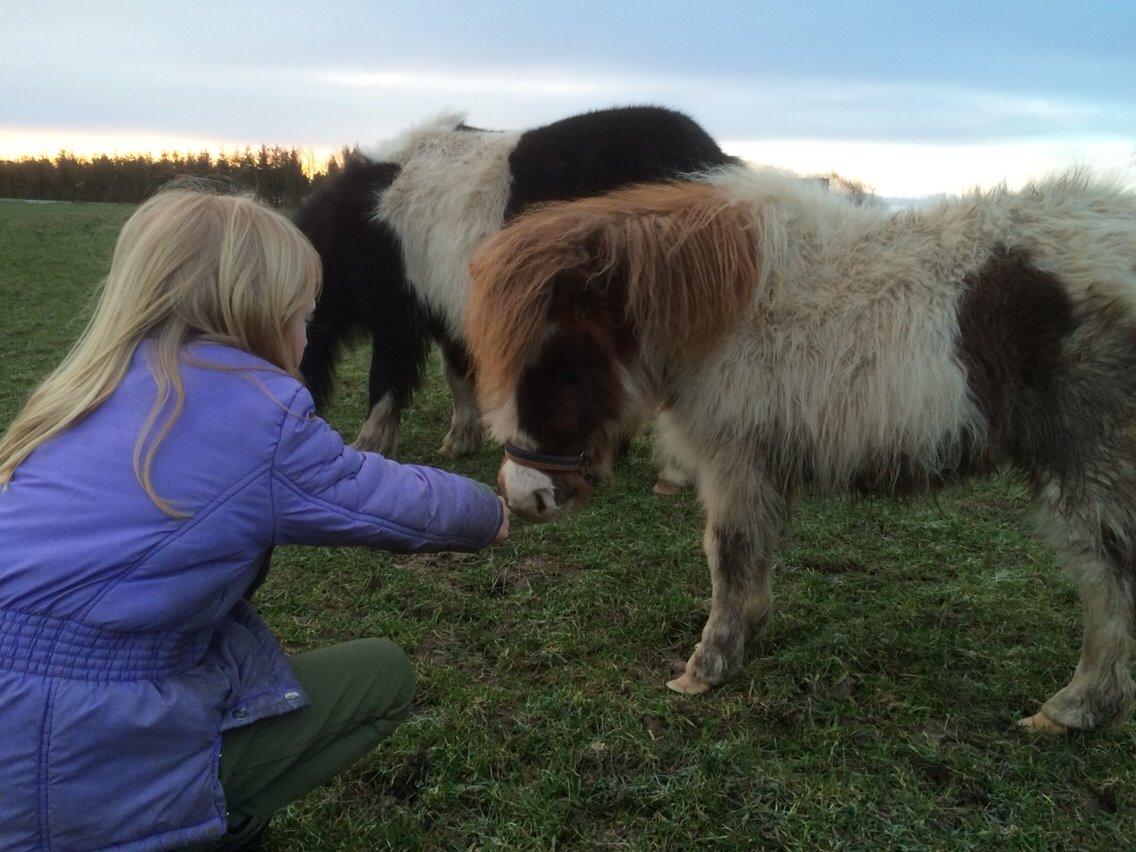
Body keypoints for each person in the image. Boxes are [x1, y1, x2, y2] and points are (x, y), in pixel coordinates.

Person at [0, 183, 509, 850]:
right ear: (258, 315)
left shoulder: (80, 390)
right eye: (304, 316)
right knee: (381, 675)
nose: (308, 336)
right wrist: (494, 511)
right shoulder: (256, 415)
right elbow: (388, 499)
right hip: (67, 762)